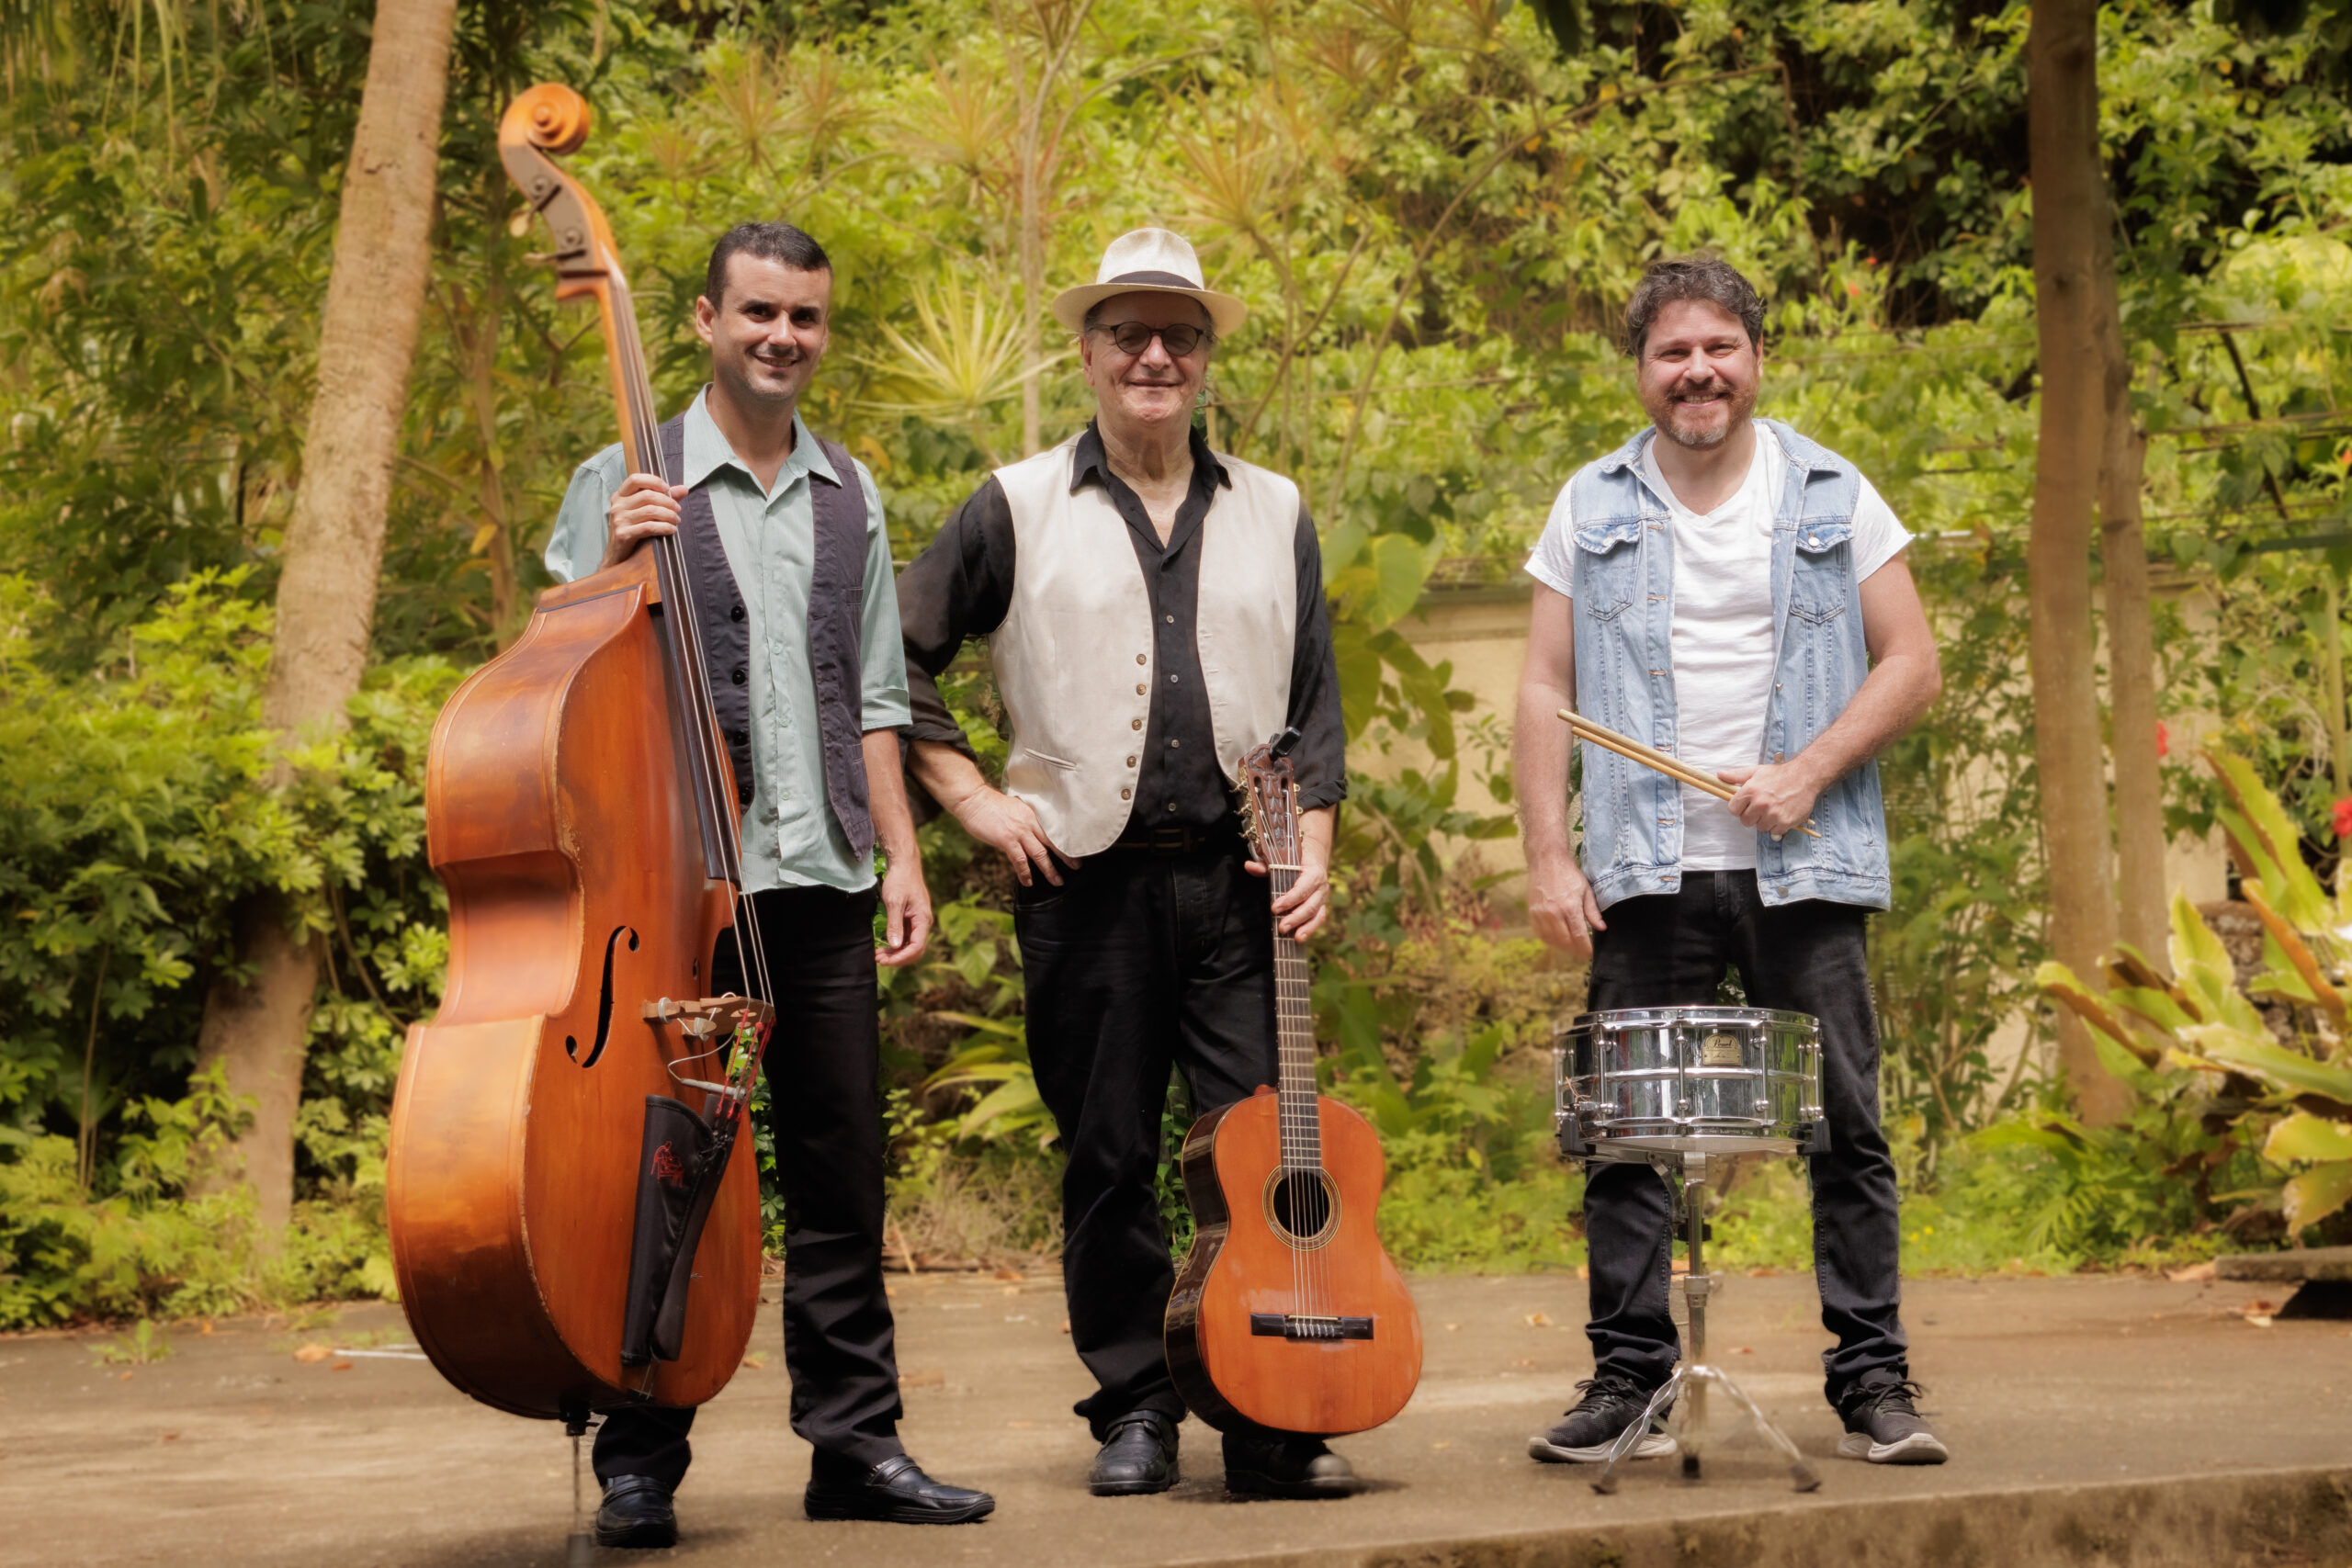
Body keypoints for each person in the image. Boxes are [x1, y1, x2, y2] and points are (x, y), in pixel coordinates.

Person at [542, 220, 993, 1548]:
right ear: (702, 320)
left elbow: (876, 692)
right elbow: (558, 670)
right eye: (759, 314)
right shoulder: (626, 477)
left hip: (822, 881)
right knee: (668, 1173)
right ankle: (640, 1461)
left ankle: (856, 1447)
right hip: (679, 888)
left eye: (805, 317)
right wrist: (619, 561)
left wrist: (903, 852)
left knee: (846, 1174)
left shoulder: (848, 490)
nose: (783, 337)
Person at [897, 228, 1355, 1500]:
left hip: (1243, 890)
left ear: (1207, 358)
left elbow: (1314, 702)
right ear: (1090, 351)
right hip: (1081, 888)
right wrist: (973, 797)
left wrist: (1313, 844)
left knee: (1264, 1152)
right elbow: (893, 658)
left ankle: (1271, 1410)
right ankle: (1135, 1408)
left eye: (1181, 335)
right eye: (1128, 333)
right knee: (1106, 1156)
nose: (1155, 355)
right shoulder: (1014, 503)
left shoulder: (1278, 509)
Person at [1513, 255, 1949, 1469]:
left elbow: (1911, 661)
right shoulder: (1587, 505)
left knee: (1846, 1127)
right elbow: (1545, 690)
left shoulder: (1831, 489)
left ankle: (1874, 1382)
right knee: (1627, 1130)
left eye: (1719, 348)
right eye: (1672, 352)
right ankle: (1628, 1382)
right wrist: (1553, 858)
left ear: (1754, 358)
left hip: (1802, 867)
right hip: (1649, 869)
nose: (1697, 371)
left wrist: (1807, 771)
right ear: (1642, 370)